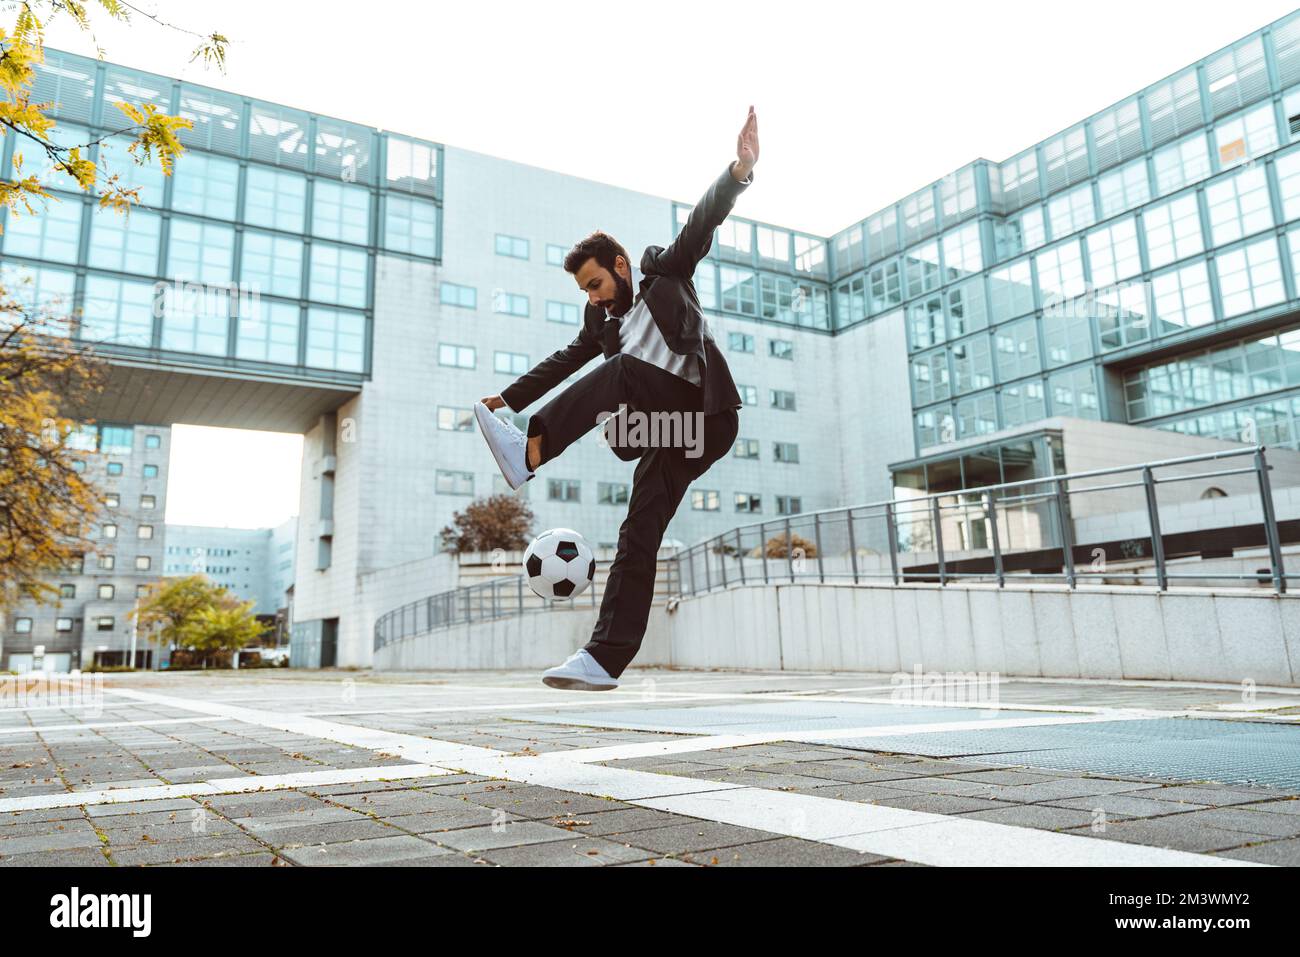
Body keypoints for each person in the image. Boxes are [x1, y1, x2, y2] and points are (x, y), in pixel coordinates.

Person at [476, 106, 760, 690]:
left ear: (621, 265)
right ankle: (605, 658)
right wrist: (506, 398)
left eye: (598, 284)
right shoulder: (601, 322)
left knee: (626, 373)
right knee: (638, 531)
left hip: (707, 418)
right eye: (585, 291)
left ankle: (529, 451)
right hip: (661, 431)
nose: (596, 298)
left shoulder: (664, 273)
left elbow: (700, 226)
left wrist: (738, 172)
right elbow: (569, 359)